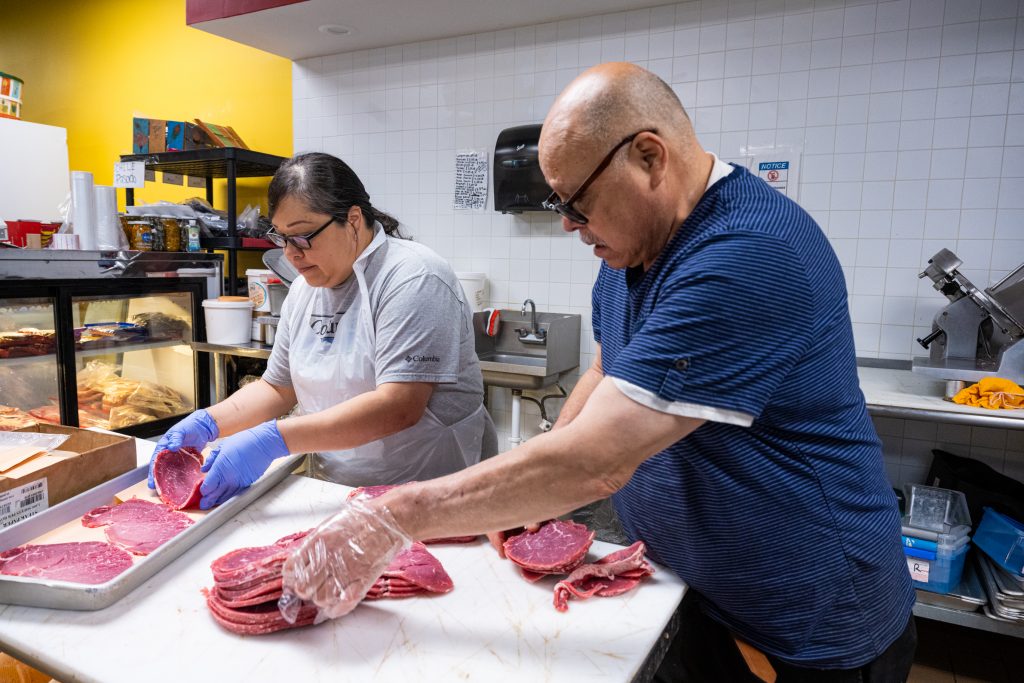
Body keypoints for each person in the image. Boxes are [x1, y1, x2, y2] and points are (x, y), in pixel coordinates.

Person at [279, 63, 917, 681]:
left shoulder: (746, 255)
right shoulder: (634, 248)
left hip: (815, 603)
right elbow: (608, 370)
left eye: (578, 203)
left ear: (649, 156)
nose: (568, 225)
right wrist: (533, 476)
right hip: (686, 581)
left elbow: (598, 461)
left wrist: (393, 517)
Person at [150, 152, 497, 509]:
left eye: (302, 236)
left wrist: (274, 439)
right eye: (281, 238)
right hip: (340, 492)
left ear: (353, 219)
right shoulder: (304, 290)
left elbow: (398, 406)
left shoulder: (414, 278)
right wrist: (209, 422)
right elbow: (277, 387)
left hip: (430, 492)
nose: (291, 254)